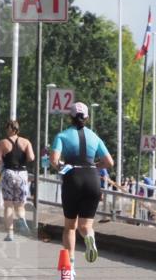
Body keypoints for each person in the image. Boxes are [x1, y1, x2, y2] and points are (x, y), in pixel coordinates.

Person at [49, 102, 114, 265]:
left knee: (70, 227)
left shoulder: (62, 136)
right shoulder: (95, 137)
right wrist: (94, 166)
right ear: (87, 117)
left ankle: (70, 264)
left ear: (69, 116)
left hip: (73, 178)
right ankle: (90, 237)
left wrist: (62, 167)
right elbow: (109, 162)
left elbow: (54, 160)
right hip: (92, 178)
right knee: (85, 226)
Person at [0, 120, 35, 242]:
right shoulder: (26, 142)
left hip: (8, 173)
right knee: (20, 205)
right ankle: (22, 218)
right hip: (22, 174)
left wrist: (4, 157)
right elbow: (31, 157)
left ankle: (10, 234)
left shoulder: (2, 142)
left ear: (9, 129)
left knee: (8, 205)